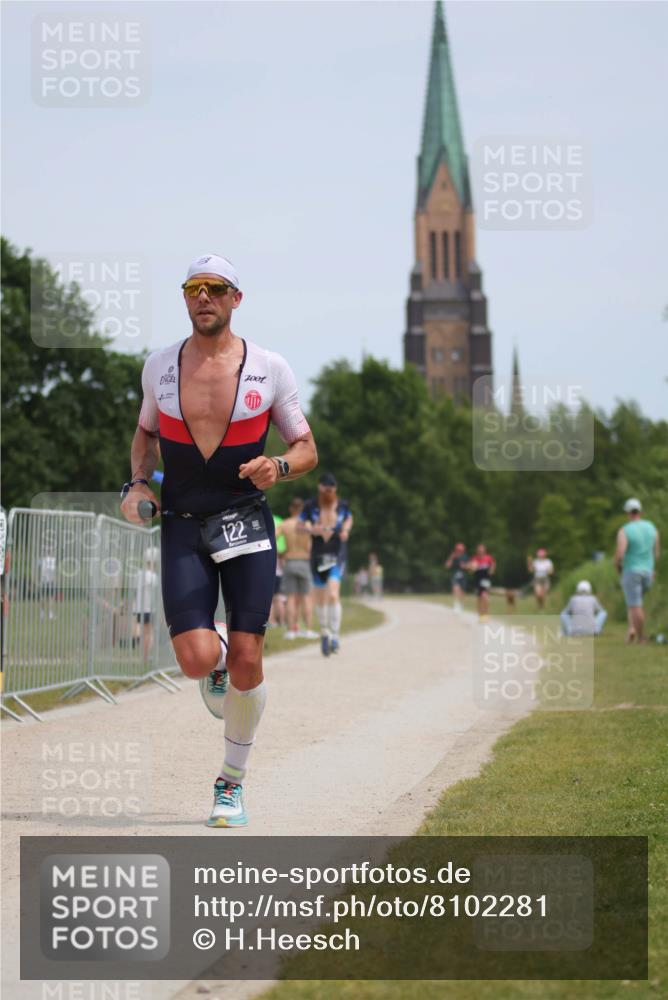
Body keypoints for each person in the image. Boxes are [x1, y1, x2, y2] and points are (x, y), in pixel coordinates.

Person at [120, 252, 317, 828]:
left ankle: (230, 782)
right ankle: (218, 659)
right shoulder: (160, 366)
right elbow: (145, 434)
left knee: (250, 659)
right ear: (185, 298)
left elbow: (306, 448)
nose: (203, 297)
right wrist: (137, 483)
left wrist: (278, 467)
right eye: (193, 288)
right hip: (183, 521)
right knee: (196, 658)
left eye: (215, 287)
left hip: (245, 519)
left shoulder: (269, 367)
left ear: (236, 298)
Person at [299, 474, 353, 656]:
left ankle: (335, 635)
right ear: (319, 487)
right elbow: (300, 525)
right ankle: (324, 631)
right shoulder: (310, 506)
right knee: (321, 598)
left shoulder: (343, 505)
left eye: (332, 487)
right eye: (326, 486)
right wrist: (310, 529)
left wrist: (346, 530)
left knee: (333, 594)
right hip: (318, 555)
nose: (329, 490)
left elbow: (349, 519)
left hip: (337, 555)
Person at [615, 497, 660, 643]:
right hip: (648, 572)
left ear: (628, 512)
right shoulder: (652, 527)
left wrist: (618, 566)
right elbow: (656, 553)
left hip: (632, 570)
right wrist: (652, 568)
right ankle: (632, 629)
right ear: (640, 511)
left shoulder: (625, 530)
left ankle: (641, 637)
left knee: (635, 605)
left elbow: (620, 554)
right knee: (635, 602)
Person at [275, 498, 318, 640]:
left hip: (289, 562)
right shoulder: (308, 525)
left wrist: (280, 553)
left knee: (290, 598)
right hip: (304, 561)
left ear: (291, 509)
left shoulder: (285, 524)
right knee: (306, 597)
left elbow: (273, 538)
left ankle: (291, 631)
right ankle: (308, 630)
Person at [132, 548, 159, 665]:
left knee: (144, 633)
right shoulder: (153, 576)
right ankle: (145, 658)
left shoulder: (138, 574)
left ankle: (143, 657)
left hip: (139, 608)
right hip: (149, 609)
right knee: (149, 633)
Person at [466, 544, 496, 622]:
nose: (480, 552)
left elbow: (493, 564)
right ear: (477, 551)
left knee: (485, 596)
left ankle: (486, 614)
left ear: (484, 551)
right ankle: (480, 615)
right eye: (479, 550)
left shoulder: (488, 558)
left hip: (486, 579)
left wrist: (491, 570)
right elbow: (469, 568)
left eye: (482, 550)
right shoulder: (474, 559)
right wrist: (471, 567)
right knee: (479, 598)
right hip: (477, 580)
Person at [445, 542, 468, 612]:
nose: (459, 551)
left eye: (461, 550)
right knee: (455, 588)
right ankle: (456, 604)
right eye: (458, 550)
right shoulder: (453, 556)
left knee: (462, 592)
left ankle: (461, 604)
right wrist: (451, 558)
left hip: (463, 576)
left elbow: (470, 566)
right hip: (455, 575)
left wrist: (465, 566)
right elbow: (447, 565)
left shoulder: (465, 557)